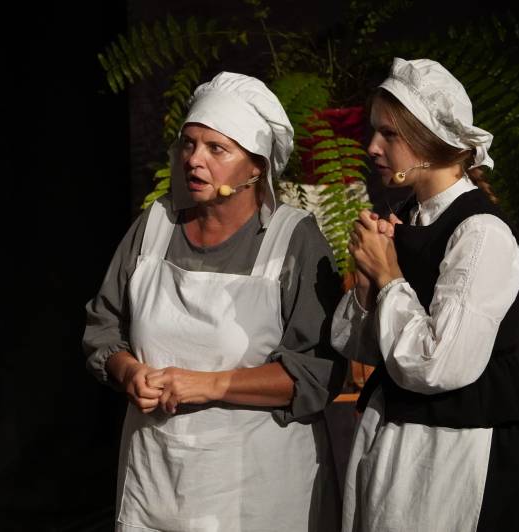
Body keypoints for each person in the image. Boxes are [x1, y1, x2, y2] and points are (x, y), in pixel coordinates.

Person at [84, 72, 346, 531]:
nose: (194, 159)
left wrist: (210, 385)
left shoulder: (292, 240)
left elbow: (316, 371)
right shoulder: (154, 226)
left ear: (256, 167)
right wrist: (128, 372)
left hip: (257, 491)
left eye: (216, 149)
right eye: (188, 144)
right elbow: (104, 328)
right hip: (156, 482)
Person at [332, 58, 519, 531]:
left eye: (389, 134)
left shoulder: (480, 233)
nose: (372, 147)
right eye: (374, 132)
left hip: (455, 453)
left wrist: (389, 278)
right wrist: (367, 282)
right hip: (398, 444)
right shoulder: (410, 218)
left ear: (430, 139)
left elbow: (437, 364)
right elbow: (359, 347)